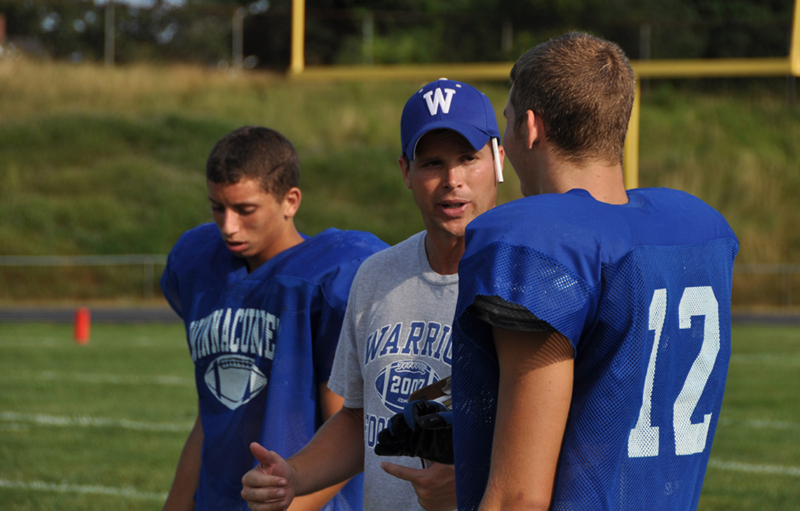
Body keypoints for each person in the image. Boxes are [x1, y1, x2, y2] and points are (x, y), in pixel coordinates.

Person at [450, 32, 739, 511]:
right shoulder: (694, 232)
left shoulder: (544, 244)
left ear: (530, 127)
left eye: (505, 123)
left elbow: (518, 497)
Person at [240, 79, 505, 511]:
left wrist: (469, 482)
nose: (452, 180)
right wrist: (294, 475)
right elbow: (360, 417)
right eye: (433, 163)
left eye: (468, 159)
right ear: (406, 171)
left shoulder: (526, 277)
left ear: (498, 159)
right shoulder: (376, 275)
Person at [159, 126, 388, 511]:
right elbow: (210, 414)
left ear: (290, 201)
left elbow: (352, 427)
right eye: (218, 207)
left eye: (245, 210)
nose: (228, 226)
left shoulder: (326, 280)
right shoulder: (200, 265)